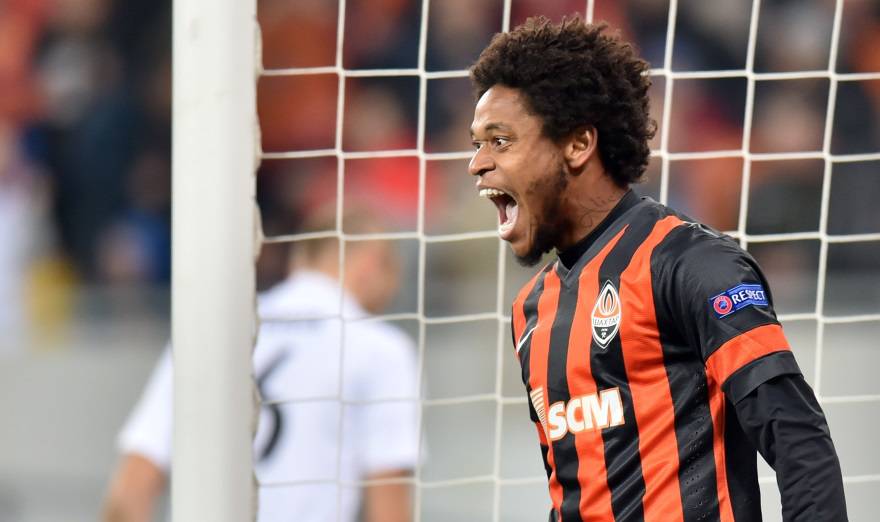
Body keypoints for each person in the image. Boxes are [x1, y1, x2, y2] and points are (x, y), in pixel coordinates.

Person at [467, 16, 847, 522]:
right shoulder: (530, 311)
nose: (477, 163)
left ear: (578, 144)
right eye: (477, 144)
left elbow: (797, 438)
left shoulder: (692, 264)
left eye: (500, 141)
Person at [102, 211, 420, 522]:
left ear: (299, 261)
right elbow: (388, 497)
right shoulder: (380, 348)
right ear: (371, 264)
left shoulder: (213, 329)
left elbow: (133, 485)